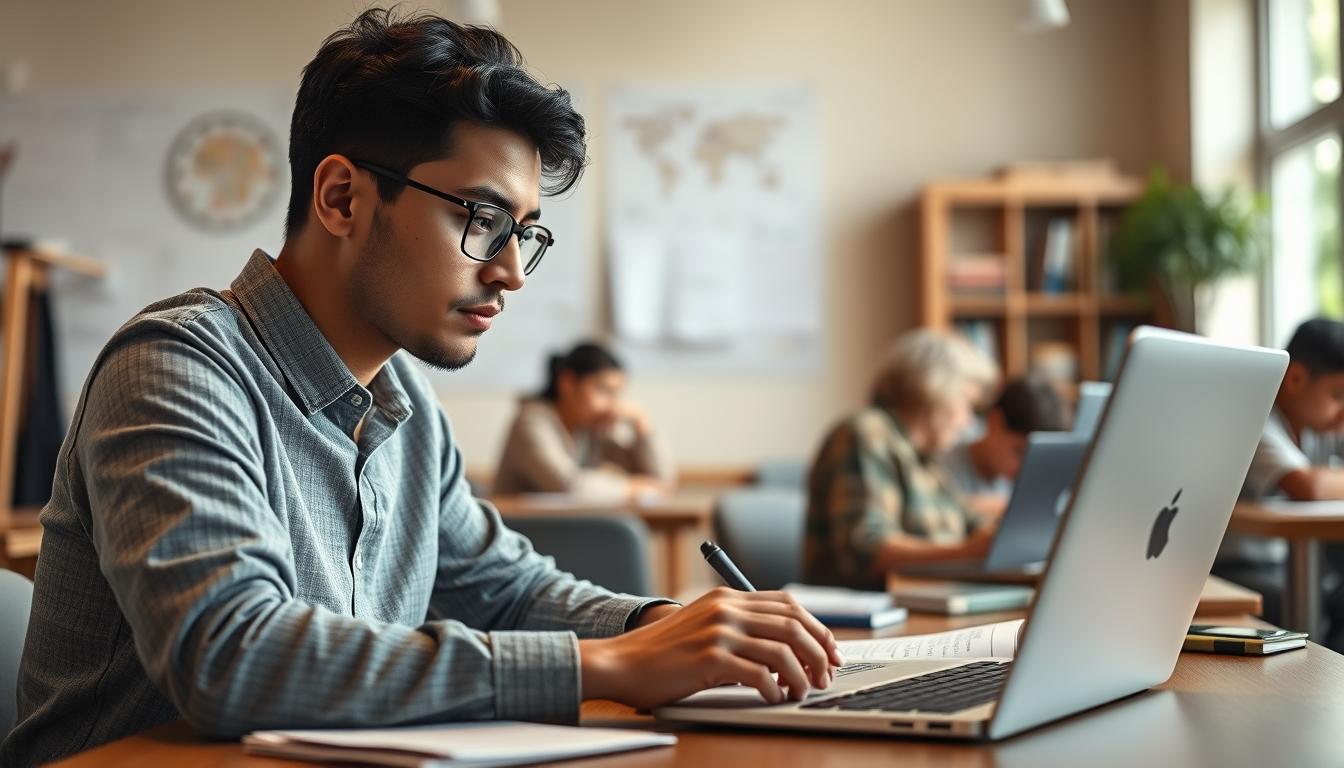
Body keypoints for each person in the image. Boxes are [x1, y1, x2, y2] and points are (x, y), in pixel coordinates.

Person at [1, 10, 842, 765]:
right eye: (481, 220)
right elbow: (233, 656)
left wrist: (656, 625)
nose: (512, 272)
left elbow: (507, 591)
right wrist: (612, 665)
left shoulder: (407, 404)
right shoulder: (176, 367)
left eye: (525, 234)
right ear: (341, 197)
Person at [802, 329, 1000, 590]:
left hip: (923, 605)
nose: (968, 421)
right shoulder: (866, 433)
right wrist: (967, 551)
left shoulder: (925, 461)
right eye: (967, 402)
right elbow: (866, 551)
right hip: (864, 618)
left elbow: (970, 524)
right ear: (936, 389)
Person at [1215, 317, 1344, 642]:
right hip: (1236, 567)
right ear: (1297, 378)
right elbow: (1309, 486)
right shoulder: (1257, 418)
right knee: (1309, 607)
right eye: (1338, 395)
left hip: (1289, 562)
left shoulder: (1316, 428)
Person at [493, 341, 674, 498]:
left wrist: (642, 424)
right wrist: (631, 488)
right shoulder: (531, 421)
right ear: (568, 383)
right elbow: (567, 486)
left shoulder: (591, 427)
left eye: (617, 393)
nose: (613, 403)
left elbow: (660, 482)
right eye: (604, 390)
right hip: (521, 531)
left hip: (567, 530)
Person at [939, 376, 1068, 501]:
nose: (1022, 467)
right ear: (995, 422)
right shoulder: (943, 469)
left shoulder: (1014, 482)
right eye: (1019, 452)